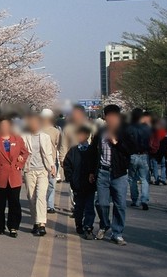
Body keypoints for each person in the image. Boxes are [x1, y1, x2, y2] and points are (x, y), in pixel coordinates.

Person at [94, 104, 133, 245]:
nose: (109, 119)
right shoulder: (101, 131)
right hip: (103, 172)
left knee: (120, 204)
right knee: (101, 203)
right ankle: (104, 224)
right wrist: (93, 171)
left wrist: (116, 143)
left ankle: (117, 233)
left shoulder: (125, 131)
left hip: (119, 174)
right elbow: (94, 151)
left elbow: (130, 149)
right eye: (107, 116)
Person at [0, 117, 28, 237]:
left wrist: (20, 163)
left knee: (14, 203)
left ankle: (13, 226)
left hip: (14, 175)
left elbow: (25, 152)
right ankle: (0, 225)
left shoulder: (17, 139)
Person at [22, 113, 57, 236]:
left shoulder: (45, 137)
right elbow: (21, 152)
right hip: (29, 170)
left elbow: (48, 153)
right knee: (31, 197)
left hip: (42, 170)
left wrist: (52, 166)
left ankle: (41, 223)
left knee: (41, 195)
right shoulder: (24, 136)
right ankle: (35, 222)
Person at [63, 124, 97, 239]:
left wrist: (94, 176)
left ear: (87, 136)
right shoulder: (73, 151)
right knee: (79, 207)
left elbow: (96, 165)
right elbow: (67, 165)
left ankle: (88, 227)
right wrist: (70, 178)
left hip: (90, 184)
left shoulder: (93, 151)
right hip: (77, 184)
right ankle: (79, 225)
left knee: (89, 207)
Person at [127, 109, 152, 211]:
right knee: (144, 179)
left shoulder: (129, 128)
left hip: (132, 155)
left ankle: (134, 199)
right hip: (144, 155)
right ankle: (144, 200)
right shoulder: (147, 128)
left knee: (132, 178)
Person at [40, 108, 62, 212]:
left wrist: (61, 158)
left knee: (51, 184)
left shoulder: (56, 131)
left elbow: (60, 145)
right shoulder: (37, 130)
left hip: (52, 161)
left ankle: (50, 205)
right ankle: (42, 203)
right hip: (40, 162)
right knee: (42, 184)